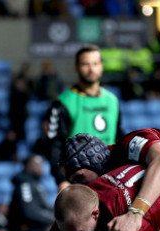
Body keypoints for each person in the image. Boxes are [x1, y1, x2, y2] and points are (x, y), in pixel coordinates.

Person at [32, 44, 124, 192]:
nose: (91, 69)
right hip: (79, 180)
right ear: (76, 67)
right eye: (85, 64)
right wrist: (61, 181)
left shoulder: (112, 100)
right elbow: (54, 145)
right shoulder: (63, 102)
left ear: (101, 66)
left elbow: (119, 136)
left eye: (95, 64)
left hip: (110, 178)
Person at [7, 154, 54, 231]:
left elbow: (44, 207)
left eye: (41, 165)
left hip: (30, 228)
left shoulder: (35, 184)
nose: (40, 168)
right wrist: (54, 219)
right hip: (23, 230)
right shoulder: (25, 184)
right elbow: (30, 212)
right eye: (37, 165)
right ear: (29, 166)